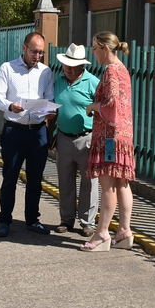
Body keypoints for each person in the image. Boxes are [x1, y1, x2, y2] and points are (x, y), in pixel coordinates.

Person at [0, 31, 55, 238]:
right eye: (34, 51)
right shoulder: (7, 68)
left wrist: (49, 109)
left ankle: (32, 219)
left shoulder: (46, 72)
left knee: (35, 179)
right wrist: (10, 105)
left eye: (41, 52)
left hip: (38, 131)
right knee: (10, 177)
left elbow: (49, 97)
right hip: (14, 130)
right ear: (24, 48)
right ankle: (5, 220)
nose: (37, 56)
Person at [82, 31, 135, 252]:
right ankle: (124, 230)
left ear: (105, 48)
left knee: (108, 184)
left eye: (94, 49)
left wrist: (94, 107)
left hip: (109, 138)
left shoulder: (111, 72)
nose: (93, 53)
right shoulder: (123, 70)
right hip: (122, 136)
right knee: (122, 183)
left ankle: (102, 233)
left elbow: (112, 107)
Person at [49, 43, 99, 238]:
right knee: (65, 180)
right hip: (63, 138)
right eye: (65, 65)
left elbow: (103, 109)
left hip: (87, 138)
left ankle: (87, 222)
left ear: (81, 66)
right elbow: (53, 110)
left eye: (72, 66)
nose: (68, 69)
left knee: (89, 181)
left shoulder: (92, 82)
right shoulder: (58, 82)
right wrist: (51, 134)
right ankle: (66, 219)